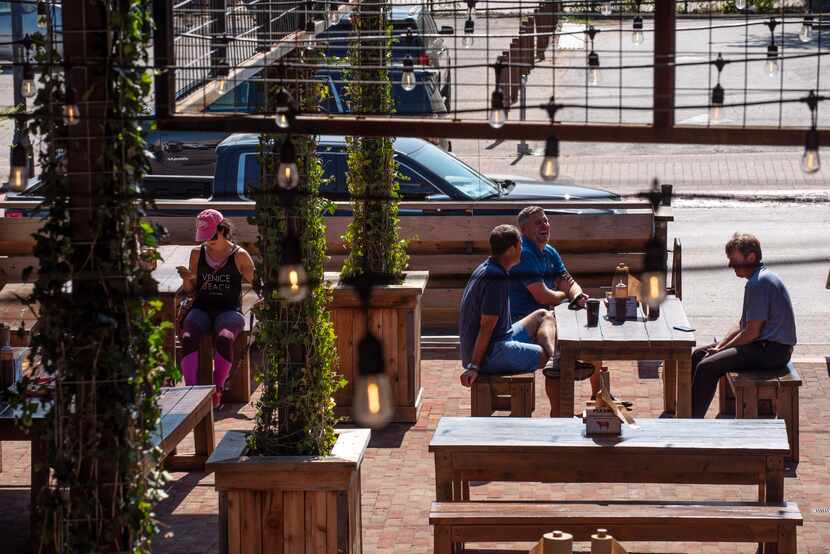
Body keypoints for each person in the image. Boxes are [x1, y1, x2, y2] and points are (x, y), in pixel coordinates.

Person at [691, 233, 796, 418]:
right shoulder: (758, 279)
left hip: (773, 352)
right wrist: (719, 346)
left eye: (734, 259)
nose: (730, 264)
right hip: (762, 346)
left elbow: (752, 332)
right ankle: (687, 411)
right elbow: (742, 325)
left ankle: (689, 423)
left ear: (751, 257)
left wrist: (722, 350)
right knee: (698, 355)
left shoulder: (759, 283)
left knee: (706, 367)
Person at [508, 206, 601, 398]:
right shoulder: (524, 253)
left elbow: (567, 280)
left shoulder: (549, 251)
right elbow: (542, 296)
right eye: (538, 222)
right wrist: (565, 296)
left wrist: (576, 295)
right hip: (522, 323)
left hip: (548, 318)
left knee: (593, 343)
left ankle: (599, 397)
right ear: (524, 231)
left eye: (546, 220)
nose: (545, 225)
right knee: (560, 355)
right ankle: (559, 414)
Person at [458, 224, 558, 402]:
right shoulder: (496, 279)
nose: (522, 249)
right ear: (512, 248)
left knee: (543, 315)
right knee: (543, 358)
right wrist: (474, 366)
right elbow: (486, 326)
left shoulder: (488, 267)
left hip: (500, 339)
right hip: (491, 353)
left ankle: (554, 357)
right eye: (520, 244)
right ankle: (554, 360)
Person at [178, 209, 256, 408]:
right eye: (203, 237)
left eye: (211, 235)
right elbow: (190, 290)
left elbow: (259, 284)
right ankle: (191, 391)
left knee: (224, 338)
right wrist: (188, 280)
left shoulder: (240, 256)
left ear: (222, 230)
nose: (207, 241)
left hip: (229, 310)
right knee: (187, 338)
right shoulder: (197, 254)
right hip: (202, 307)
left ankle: (218, 390)